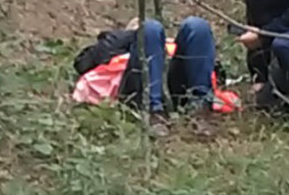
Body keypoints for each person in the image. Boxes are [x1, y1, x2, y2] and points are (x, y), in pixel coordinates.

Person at [73, 16, 238, 137]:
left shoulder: (171, 44)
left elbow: (215, 70)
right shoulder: (121, 42)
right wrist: (130, 35)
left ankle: (200, 110)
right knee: (150, 28)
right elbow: (83, 62)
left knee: (198, 26)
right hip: (140, 84)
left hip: (178, 85)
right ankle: (153, 113)